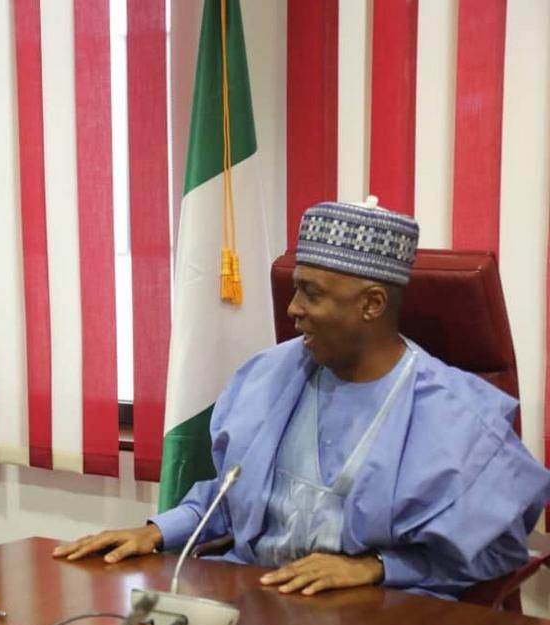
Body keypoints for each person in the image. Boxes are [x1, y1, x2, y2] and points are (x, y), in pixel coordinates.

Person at [54, 199, 550, 600]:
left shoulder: (458, 416)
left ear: (372, 304)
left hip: (380, 622)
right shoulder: (266, 377)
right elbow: (229, 501)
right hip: (256, 602)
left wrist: (377, 569)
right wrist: (158, 532)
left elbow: (496, 554)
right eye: (296, 290)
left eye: (311, 294)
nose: (292, 309)